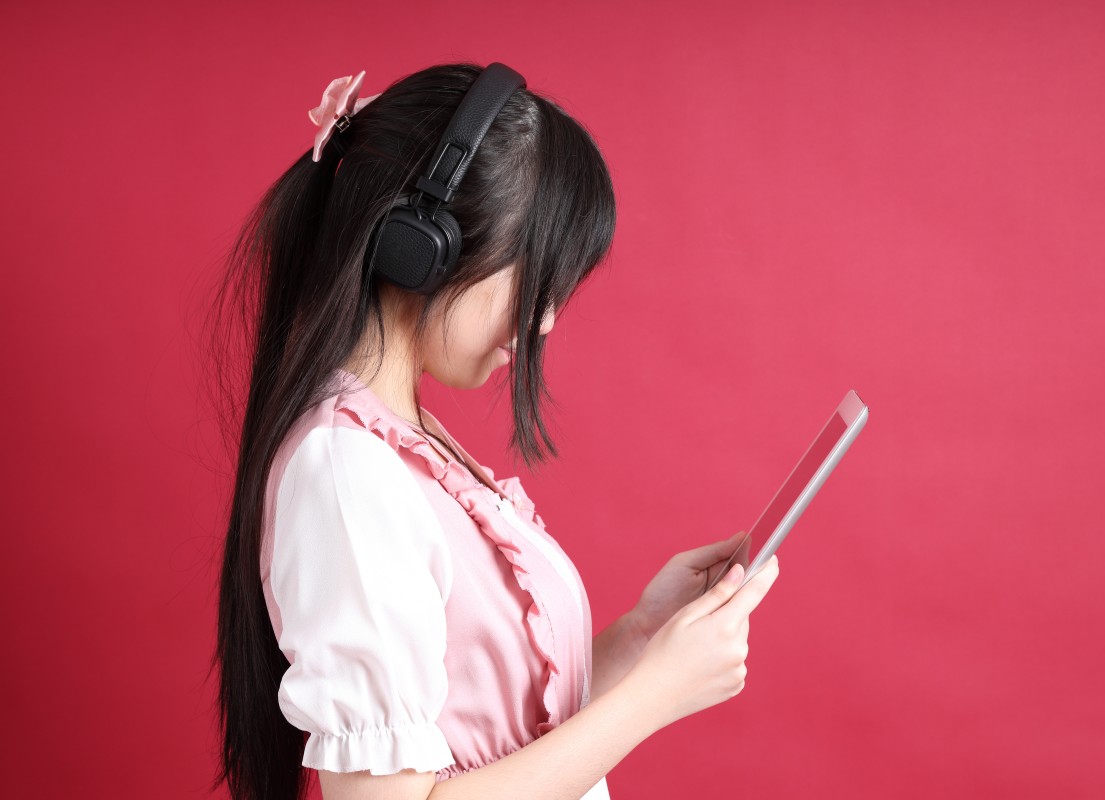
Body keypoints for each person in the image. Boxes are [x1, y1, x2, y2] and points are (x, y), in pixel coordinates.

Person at [209, 62, 779, 800]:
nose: (543, 323)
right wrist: (655, 697)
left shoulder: (400, 444)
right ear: (425, 246)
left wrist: (638, 641)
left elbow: (492, 734)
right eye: (536, 281)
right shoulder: (345, 472)